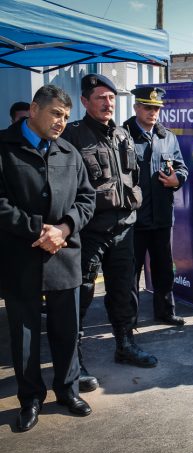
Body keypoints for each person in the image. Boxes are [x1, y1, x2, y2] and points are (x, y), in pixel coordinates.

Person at [0, 85, 95, 431]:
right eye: (56, 113)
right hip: (20, 256)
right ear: (34, 109)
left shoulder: (69, 151)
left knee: (66, 330)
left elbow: (86, 199)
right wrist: (37, 229)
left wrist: (64, 229)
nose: (61, 122)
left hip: (64, 254)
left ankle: (67, 390)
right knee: (24, 334)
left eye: (66, 117)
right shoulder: (3, 146)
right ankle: (30, 398)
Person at [62, 73, 158, 393]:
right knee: (81, 296)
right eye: (100, 97)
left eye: (111, 98)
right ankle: (73, 361)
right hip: (90, 231)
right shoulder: (72, 135)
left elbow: (133, 176)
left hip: (123, 228)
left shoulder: (121, 134)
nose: (108, 103)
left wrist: (132, 209)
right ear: (85, 102)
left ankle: (125, 346)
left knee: (123, 292)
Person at [124, 86, 188, 327]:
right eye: (147, 107)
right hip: (133, 218)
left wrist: (177, 179)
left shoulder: (167, 136)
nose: (153, 112)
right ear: (136, 108)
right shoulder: (122, 134)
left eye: (156, 108)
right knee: (131, 273)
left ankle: (165, 311)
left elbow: (181, 166)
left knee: (164, 269)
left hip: (162, 215)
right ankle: (128, 318)